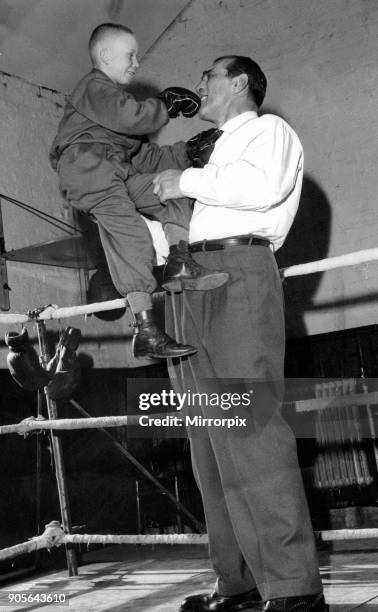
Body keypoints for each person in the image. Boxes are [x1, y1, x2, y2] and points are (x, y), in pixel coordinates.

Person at [153, 56, 327, 611]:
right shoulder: (217, 149)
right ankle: (239, 580)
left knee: (249, 426)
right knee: (207, 436)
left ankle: (294, 587)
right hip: (190, 277)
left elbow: (260, 189)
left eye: (209, 75)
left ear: (240, 83)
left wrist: (183, 178)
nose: (198, 83)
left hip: (241, 270)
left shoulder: (267, 131)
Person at [49, 23, 227, 360]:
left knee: (172, 187)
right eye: (130, 55)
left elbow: (147, 157)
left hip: (115, 170)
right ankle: (145, 330)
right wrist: (165, 105)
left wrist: (187, 151)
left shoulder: (114, 112)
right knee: (133, 238)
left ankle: (180, 262)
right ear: (105, 55)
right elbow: (134, 118)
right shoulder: (94, 87)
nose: (136, 63)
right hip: (87, 170)